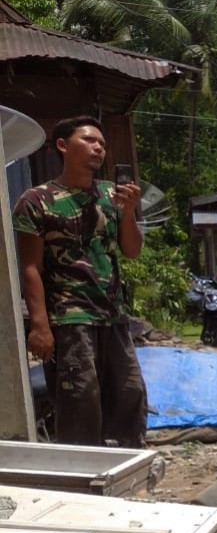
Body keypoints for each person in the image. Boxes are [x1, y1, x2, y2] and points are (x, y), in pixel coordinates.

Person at [14, 115, 148, 447]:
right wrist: (40, 326)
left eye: (102, 143)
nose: (99, 147)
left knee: (130, 392)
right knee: (80, 398)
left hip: (112, 314)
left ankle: (129, 462)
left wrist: (129, 212)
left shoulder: (111, 196)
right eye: (89, 140)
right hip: (69, 317)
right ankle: (82, 471)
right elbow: (29, 266)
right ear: (63, 146)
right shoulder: (36, 200)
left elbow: (131, 251)